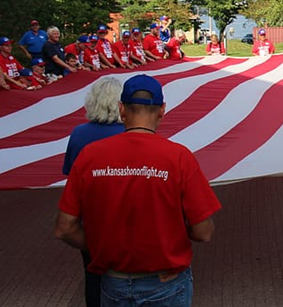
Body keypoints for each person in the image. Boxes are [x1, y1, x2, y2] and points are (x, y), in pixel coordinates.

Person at [54, 74, 221, 307]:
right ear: (162, 110)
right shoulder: (178, 157)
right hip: (166, 282)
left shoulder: (89, 156)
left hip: (114, 282)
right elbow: (203, 232)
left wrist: (103, 248)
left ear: (122, 109)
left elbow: (64, 228)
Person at [61, 77, 126, 307]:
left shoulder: (79, 134)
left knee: (92, 274)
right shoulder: (132, 134)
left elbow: (71, 175)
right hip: (126, 217)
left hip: (91, 218)